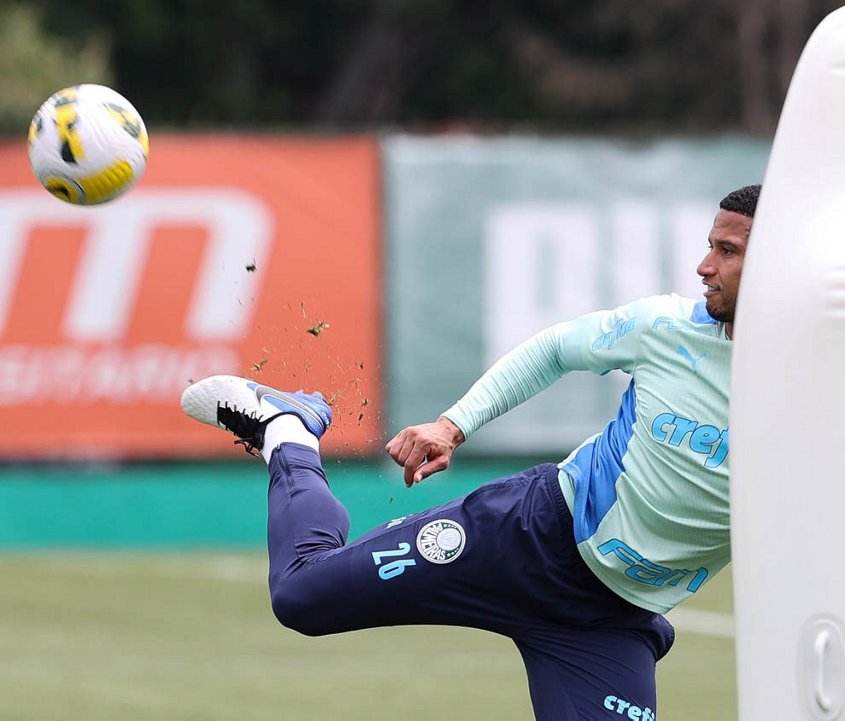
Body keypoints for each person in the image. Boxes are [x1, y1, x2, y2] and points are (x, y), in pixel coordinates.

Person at [180, 184, 758, 720]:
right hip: (527, 539)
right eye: (710, 245)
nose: (704, 266)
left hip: (609, 625)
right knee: (303, 594)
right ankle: (289, 431)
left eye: (727, 251)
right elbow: (556, 349)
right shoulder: (665, 328)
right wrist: (452, 427)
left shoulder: (808, 395)